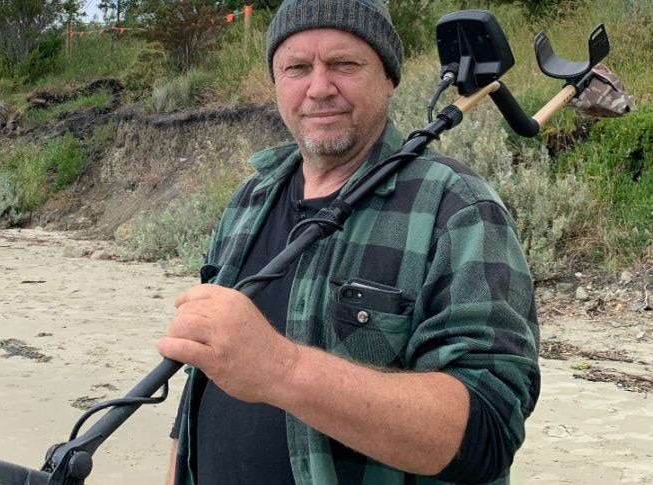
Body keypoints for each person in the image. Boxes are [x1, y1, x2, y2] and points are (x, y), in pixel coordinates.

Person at [157, 0, 540, 483]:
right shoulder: (248, 200)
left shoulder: (458, 209)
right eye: (296, 68)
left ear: (388, 78)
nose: (319, 88)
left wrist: (282, 369)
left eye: (344, 64)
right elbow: (207, 372)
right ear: (276, 83)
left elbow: (488, 431)